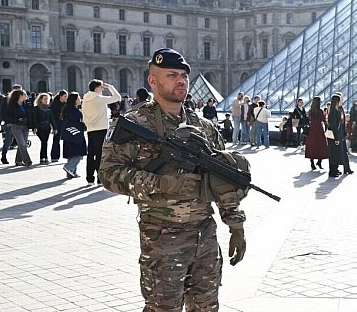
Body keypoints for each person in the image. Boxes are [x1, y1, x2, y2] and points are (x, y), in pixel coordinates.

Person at [100, 48, 248, 312]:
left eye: (184, 76)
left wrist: (235, 225)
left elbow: (221, 180)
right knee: (163, 308)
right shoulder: (134, 124)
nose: (181, 81)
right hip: (161, 240)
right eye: (171, 75)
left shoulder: (204, 128)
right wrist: (162, 184)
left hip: (204, 236)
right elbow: (109, 175)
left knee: (206, 307)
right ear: (153, 81)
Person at [81, 78, 122, 185]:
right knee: (100, 154)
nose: (102, 90)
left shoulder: (85, 99)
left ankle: (90, 178)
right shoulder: (98, 98)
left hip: (90, 129)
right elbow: (117, 97)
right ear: (97, 88)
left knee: (91, 154)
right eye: (101, 88)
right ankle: (100, 178)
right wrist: (110, 87)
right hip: (101, 129)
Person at [60, 92, 85, 179]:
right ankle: (69, 167)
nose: (80, 100)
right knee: (78, 153)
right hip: (75, 133)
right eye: (78, 98)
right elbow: (75, 122)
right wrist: (83, 125)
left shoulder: (68, 108)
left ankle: (71, 172)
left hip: (69, 134)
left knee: (72, 153)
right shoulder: (73, 110)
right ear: (74, 100)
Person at [327, 93, 353, 177]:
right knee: (334, 154)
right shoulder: (333, 112)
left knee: (337, 153)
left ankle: (336, 169)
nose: (342, 101)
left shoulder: (338, 111)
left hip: (339, 135)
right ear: (336, 101)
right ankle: (332, 171)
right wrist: (337, 138)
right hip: (335, 136)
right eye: (340, 100)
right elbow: (334, 126)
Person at [5, 89, 32, 167]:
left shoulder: (27, 104)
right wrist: (17, 120)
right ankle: (27, 160)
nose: (26, 96)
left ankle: (18, 161)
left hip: (26, 126)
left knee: (22, 144)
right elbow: (8, 116)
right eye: (25, 95)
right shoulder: (12, 104)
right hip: (16, 126)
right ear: (20, 96)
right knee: (22, 144)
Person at [305, 96, 329, 170]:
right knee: (322, 146)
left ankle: (312, 163)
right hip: (319, 129)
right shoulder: (320, 111)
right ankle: (319, 161)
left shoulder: (310, 111)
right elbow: (323, 120)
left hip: (312, 130)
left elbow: (309, 119)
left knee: (312, 146)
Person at [31, 93, 55, 164]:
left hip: (47, 128)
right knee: (44, 141)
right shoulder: (36, 108)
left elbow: (52, 119)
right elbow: (34, 119)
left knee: (45, 142)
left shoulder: (49, 108)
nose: (46, 100)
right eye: (45, 99)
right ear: (40, 100)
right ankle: (43, 157)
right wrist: (35, 127)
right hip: (39, 128)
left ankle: (44, 157)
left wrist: (55, 128)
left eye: (47, 99)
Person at [50, 90, 68, 162]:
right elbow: (52, 114)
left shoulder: (66, 104)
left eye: (66, 96)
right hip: (57, 123)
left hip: (65, 123)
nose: (66, 98)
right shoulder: (54, 104)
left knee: (67, 139)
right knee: (56, 139)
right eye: (65, 96)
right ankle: (54, 156)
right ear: (60, 96)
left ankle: (67, 155)